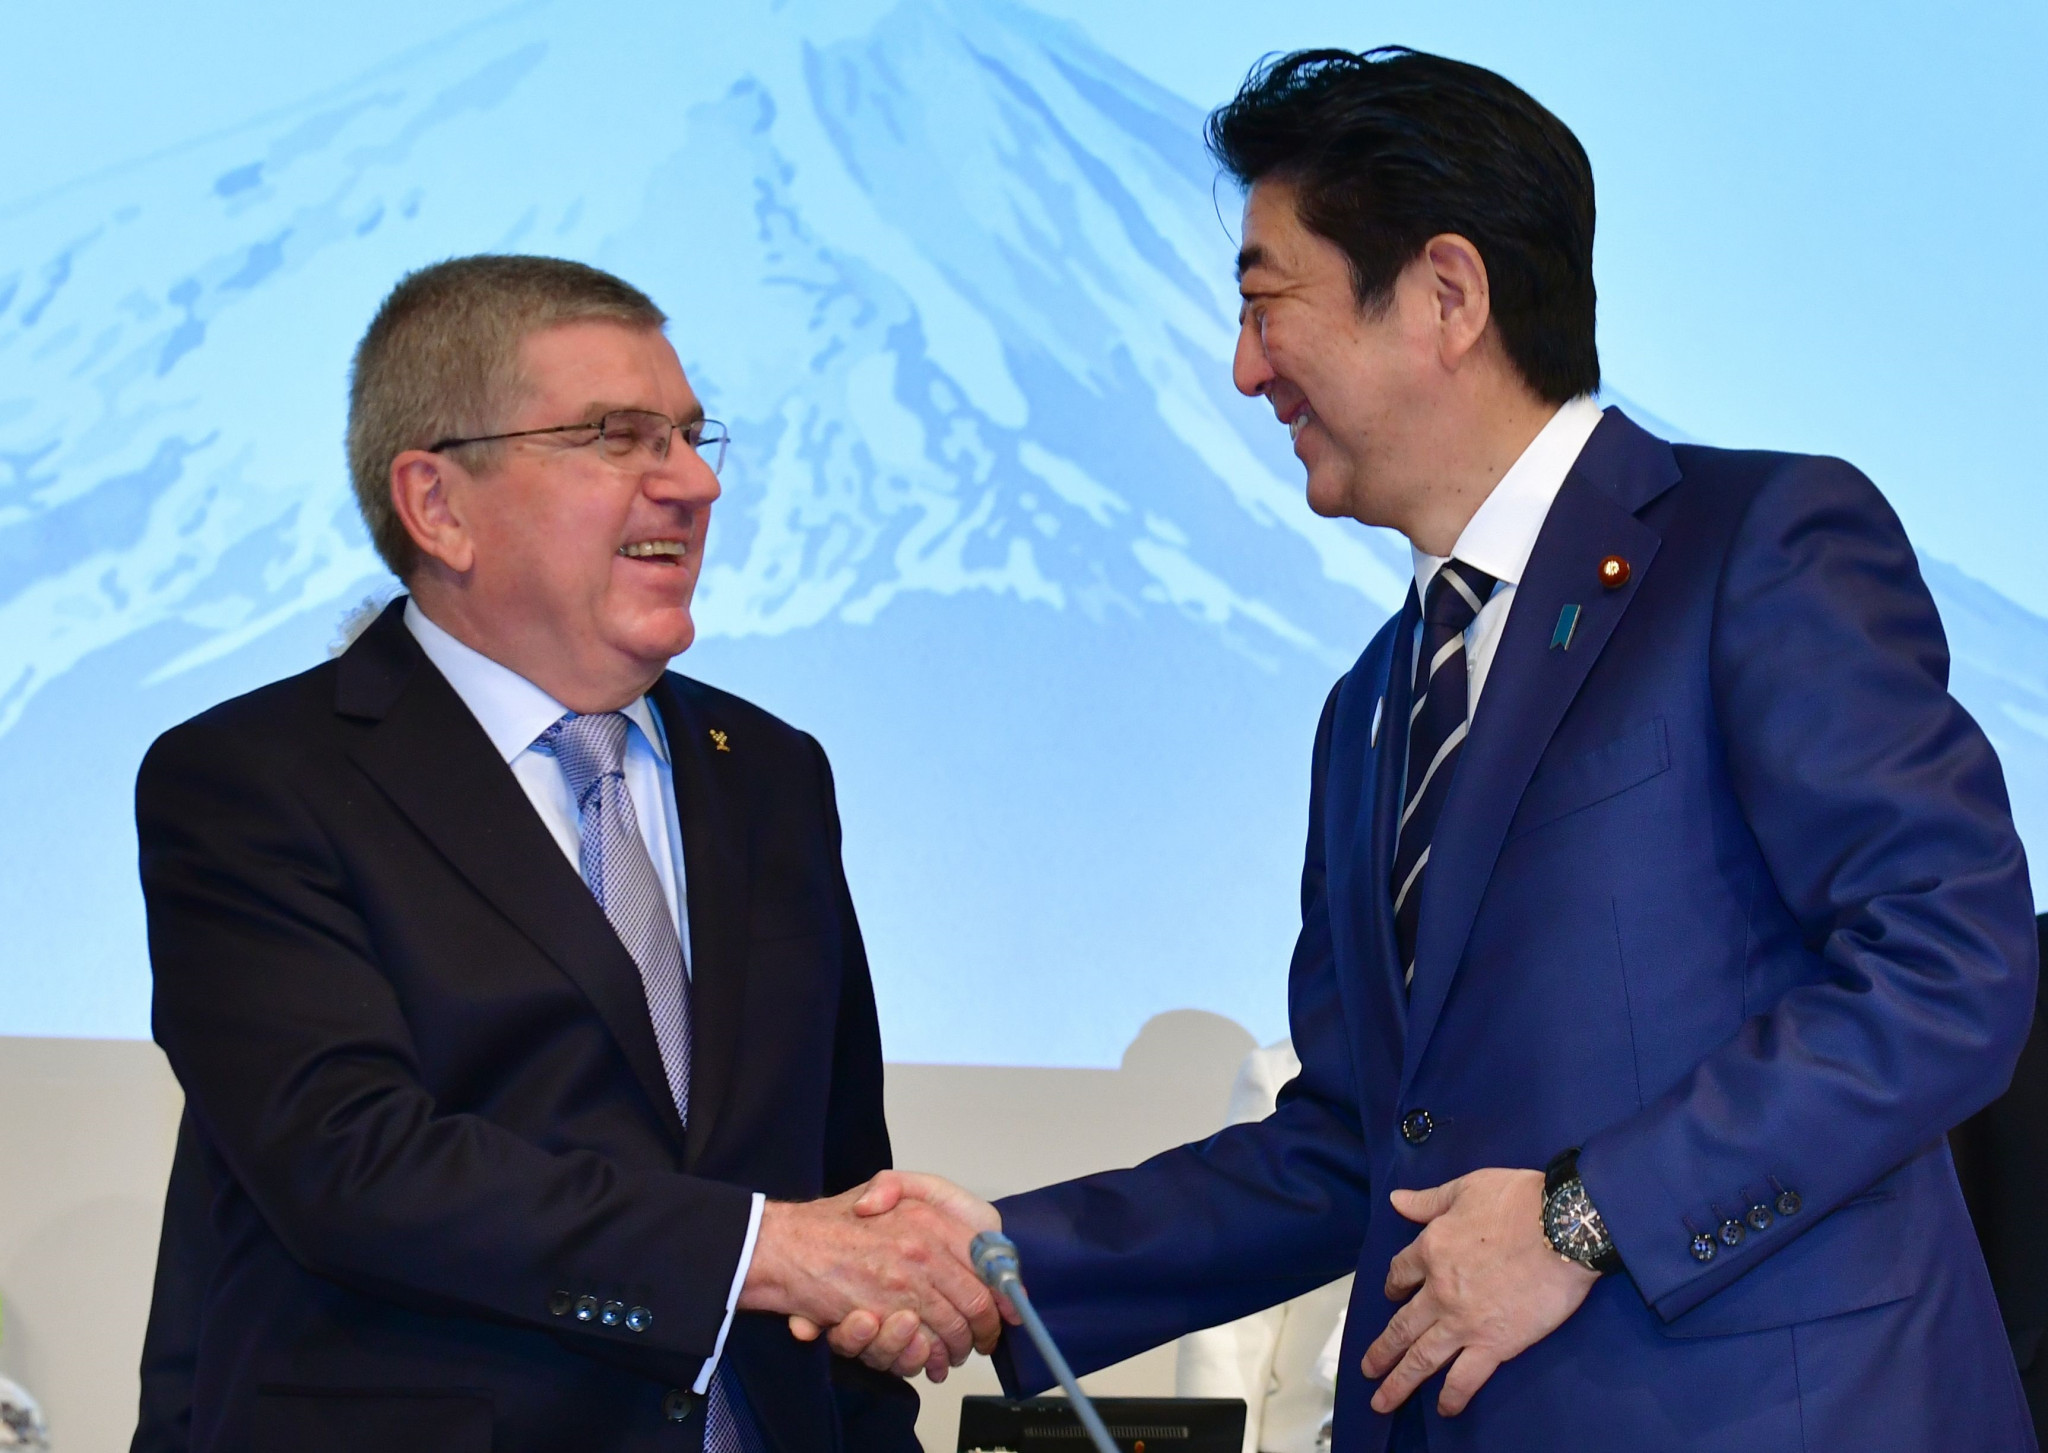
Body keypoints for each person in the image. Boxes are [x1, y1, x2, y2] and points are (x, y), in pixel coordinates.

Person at [829, 47, 2041, 1451]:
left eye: (1265, 301)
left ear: (1445, 295)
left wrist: (1585, 1219)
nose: (1241, 371)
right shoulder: (1371, 704)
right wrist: (997, 1263)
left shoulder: (1758, 550)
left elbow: (1950, 967)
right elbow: (1355, 1141)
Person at [128, 255, 999, 1453]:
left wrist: (860, 1313)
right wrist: (767, 1255)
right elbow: (352, 1164)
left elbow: (833, 1173)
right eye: (616, 437)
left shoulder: (772, 773)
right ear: (437, 504)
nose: (691, 483)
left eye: (693, 437)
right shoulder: (254, 779)